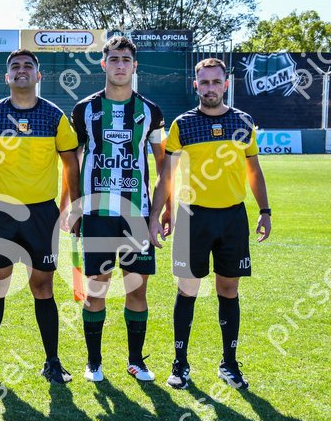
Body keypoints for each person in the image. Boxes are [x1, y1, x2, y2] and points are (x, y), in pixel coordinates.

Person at [149, 57, 272, 390]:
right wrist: (156, 215)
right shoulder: (183, 124)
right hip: (192, 217)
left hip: (232, 217)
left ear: (226, 84)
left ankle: (229, 364)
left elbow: (254, 170)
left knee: (228, 290)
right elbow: (166, 176)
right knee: (187, 290)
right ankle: (180, 364)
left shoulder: (243, 122)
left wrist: (265, 210)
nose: (210, 88)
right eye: (204, 82)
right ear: (196, 85)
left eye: (216, 82)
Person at [0, 49, 79, 384]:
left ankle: (52, 362)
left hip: (41, 214)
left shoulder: (54, 116)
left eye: (28, 66)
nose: (21, 70)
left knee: (43, 287)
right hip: (0, 212)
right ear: (7, 76)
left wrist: (73, 206)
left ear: (38, 76)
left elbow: (71, 165)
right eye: (15, 66)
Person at [65, 36, 165, 383]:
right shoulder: (84, 110)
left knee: (137, 290)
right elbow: (73, 161)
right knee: (96, 290)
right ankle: (94, 362)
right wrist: (75, 207)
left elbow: (164, 166)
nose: (120, 65)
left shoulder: (150, 111)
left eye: (126, 60)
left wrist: (159, 213)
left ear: (134, 66)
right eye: (114, 59)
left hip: (137, 215)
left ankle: (136, 361)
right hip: (97, 215)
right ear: (103, 64)